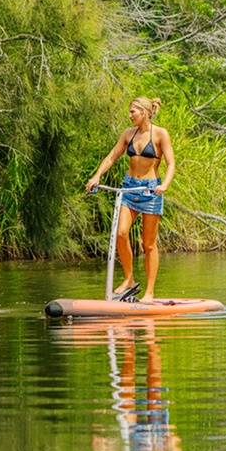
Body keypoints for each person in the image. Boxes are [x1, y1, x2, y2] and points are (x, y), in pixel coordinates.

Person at [85, 97, 175, 304]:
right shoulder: (128, 134)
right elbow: (112, 157)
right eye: (129, 112)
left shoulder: (160, 134)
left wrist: (165, 185)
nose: (130, 116)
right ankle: (129, 278)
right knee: (121, 233)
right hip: (129, 188)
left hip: (151, 191)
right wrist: (97, 176)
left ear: (144, 112)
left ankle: (149, 292)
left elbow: (171, 163)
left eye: (133, 112)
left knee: (148, 244)